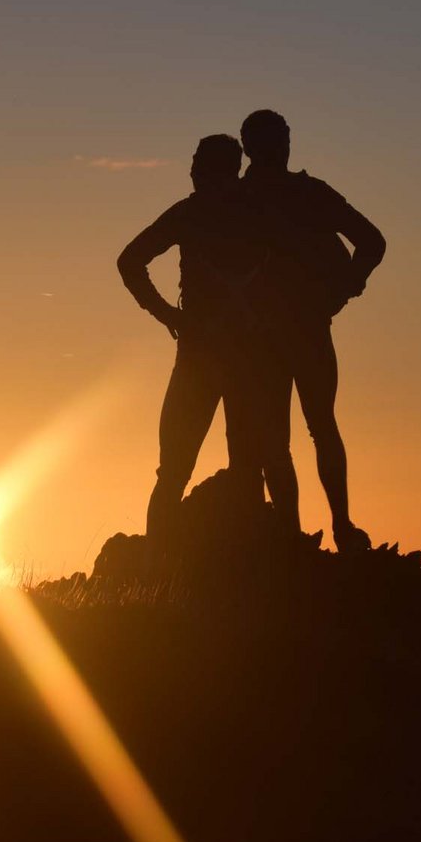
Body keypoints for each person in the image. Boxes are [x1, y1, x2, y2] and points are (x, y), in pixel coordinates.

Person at [236, 108, 386, 553]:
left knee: (299, 432)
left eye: (281, 139)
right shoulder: (268, 197)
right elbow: (371, 242)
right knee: (294, 434)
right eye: (273, 141)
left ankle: (323, 529)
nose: (279, 148)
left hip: (291, 330)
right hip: (279, 332)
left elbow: (372, 242)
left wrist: (342, 291)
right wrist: (341, 291)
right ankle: (303, 532)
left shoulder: (275, 197)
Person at [116, 134, 262, 544]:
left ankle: (161, 570)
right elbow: (129, 261)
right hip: (241, 355)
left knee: (180, 470)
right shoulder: (254, 213)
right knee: (244, 468)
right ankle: (246, 568)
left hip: (208, 355)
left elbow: (130, 260)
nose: (193, 171)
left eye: (199, 164)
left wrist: (167, 314)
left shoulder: (193, 213)